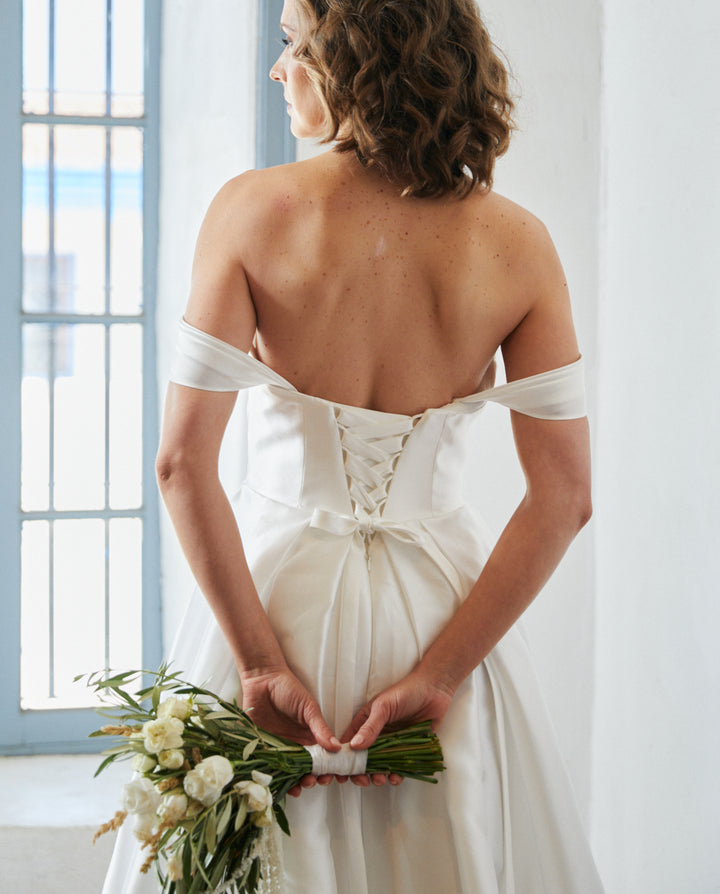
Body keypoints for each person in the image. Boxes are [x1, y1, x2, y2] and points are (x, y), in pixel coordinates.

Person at [103, 0, 605, 891]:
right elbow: (565, 496)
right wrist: (441, 676)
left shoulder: (252, 212)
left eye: (293, 43)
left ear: (353, 61)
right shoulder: (519, 244)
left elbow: (182, 465)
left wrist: (257, 662)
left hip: (274, 600)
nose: (278, 67)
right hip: (438, 613)